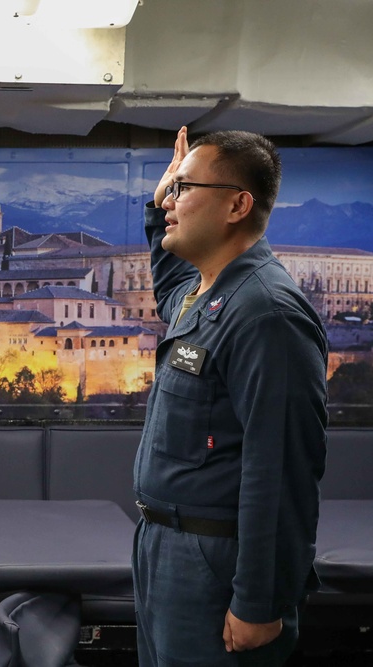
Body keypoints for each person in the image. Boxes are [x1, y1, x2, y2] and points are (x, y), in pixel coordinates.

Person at [133, 126, 328, 666]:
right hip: (164, 549)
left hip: (214, 562)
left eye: (184, 189)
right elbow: (171, 289)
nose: (171, 199)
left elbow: (282, 470)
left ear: (238, 205)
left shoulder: (267, 313)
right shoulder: (210, 291)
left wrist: (260, 602)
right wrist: (160, 212)